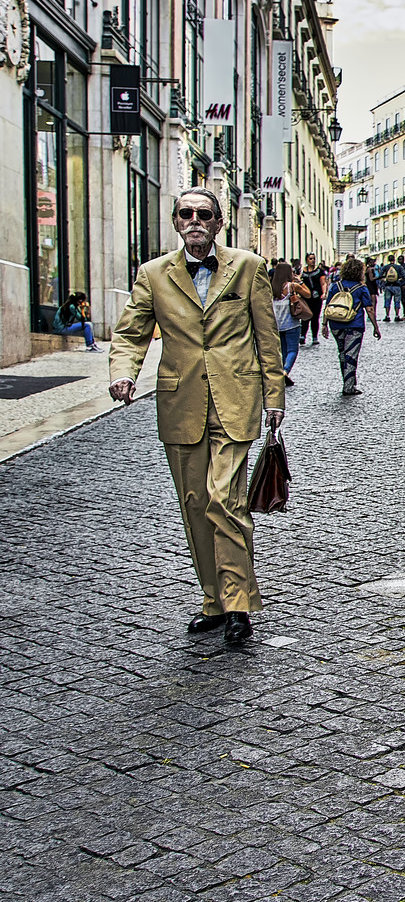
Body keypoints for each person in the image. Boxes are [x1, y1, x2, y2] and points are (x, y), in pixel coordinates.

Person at [107, 187, 286, 647]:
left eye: (203, 213)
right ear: (175, 221)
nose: (194, 220)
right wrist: (123, 373)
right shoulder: (153, 275)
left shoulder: (247, 267)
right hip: (181, 402)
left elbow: (267, 337)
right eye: (186, 213)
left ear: (218, 221)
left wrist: (274, 396)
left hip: (236, 398)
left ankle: (239, 603)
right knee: (194, 506)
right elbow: (131, 334)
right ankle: (214, 601)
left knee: (223, 499)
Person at [324, 257, 380, 395]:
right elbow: (369, 309)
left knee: (342, 353)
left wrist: (324, 324)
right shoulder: (361, 288)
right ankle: (348, 386)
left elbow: (328, 306)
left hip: (335, 324)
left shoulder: (335, 286)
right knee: (351, 355)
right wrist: (375, 327)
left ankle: (348, 380)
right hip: (354, 325)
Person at [270, 261, 312, 387]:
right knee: (293, 350)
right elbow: (308, 294)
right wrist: (299, 280)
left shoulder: (272, 287)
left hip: (277, 324)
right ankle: (285, 371)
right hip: (291, 323)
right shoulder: (292, 286)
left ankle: (282, 372)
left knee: (282, 350)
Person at [299, 253, 327, 345]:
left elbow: (323, 283)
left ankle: (314, 337)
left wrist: (324, 293)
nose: (313, 260)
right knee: (305, 316)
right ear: (307, 260)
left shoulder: (319, 271)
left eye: (314, 258)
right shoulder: (302, 271)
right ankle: (303, 335)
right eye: (310, 259)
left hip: (316, 297)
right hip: (305, 297)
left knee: (315, 317)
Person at [378, 253, 405, 322]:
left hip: (388, 286)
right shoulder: (399, 267)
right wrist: (400, 281)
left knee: (387, 301)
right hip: (397, 286)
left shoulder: (385, 267)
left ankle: (387, 316)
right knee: (397, 301)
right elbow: (404, 276)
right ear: (394, 259)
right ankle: (397, 315)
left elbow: (380, 275)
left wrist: (384, 280)